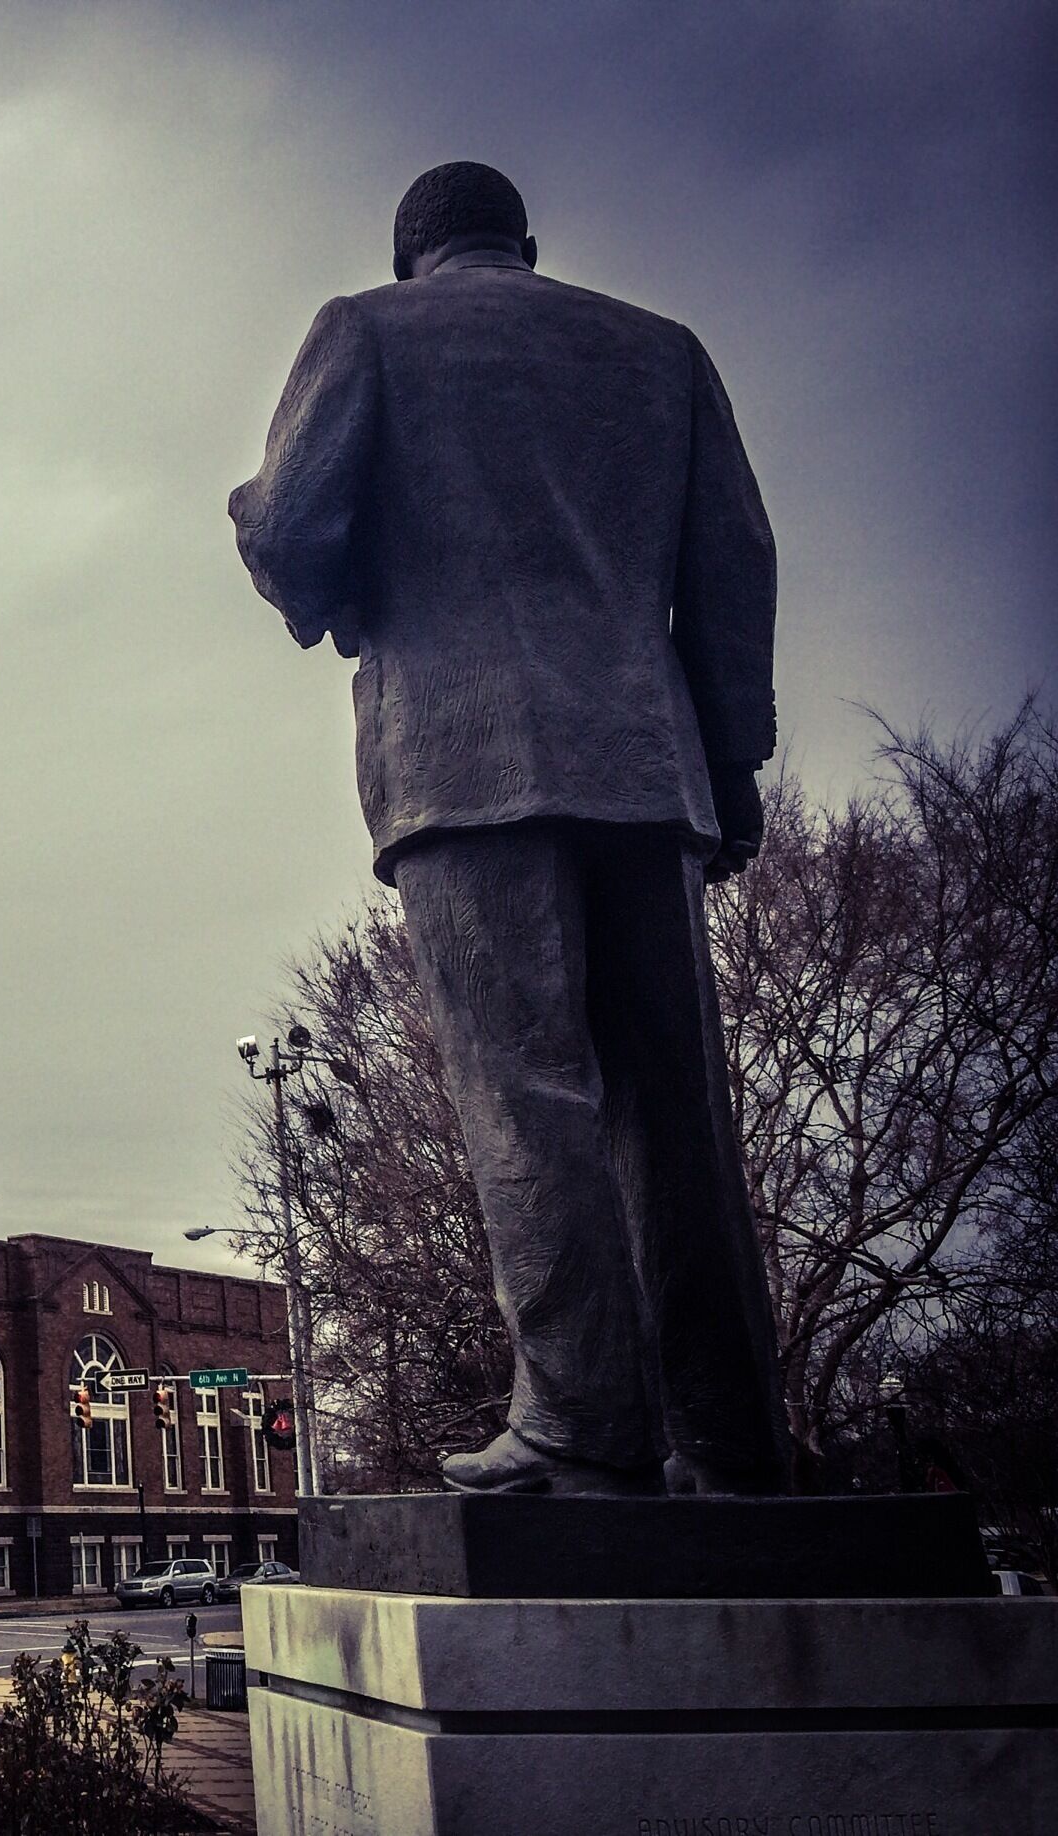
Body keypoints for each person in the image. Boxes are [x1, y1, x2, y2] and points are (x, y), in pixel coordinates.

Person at [229, 161, 794, 1498]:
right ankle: (730, 1440)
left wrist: (310, 574)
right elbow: (735, 564)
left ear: (410, 253)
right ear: (526, 247)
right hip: (650, 771)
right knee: (678, 1111)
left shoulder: (364, 330)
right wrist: (731, 758)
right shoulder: (663, 352)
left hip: (467, 762)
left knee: (525, 1089)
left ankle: (584, 1430)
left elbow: (293, 526)